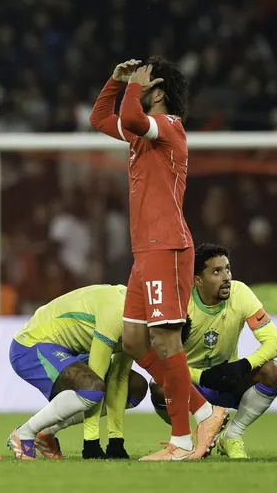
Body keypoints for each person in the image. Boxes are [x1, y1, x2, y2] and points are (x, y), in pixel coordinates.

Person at [90, 58, 227, 461]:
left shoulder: (168, 128)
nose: (138, 84)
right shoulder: (141, 137)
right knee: (133, 340)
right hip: (145, 252)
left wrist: (131, 88)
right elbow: (100, 118)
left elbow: (131, 115)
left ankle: (181, 443)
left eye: (145, 80)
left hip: (166, 247)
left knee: (166, 340)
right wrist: (116, 81)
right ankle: (204, 409)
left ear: (159, 90)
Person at [149, 244, 277, 459]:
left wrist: (243, 366)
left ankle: (232, 436)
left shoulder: (240, 293)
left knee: (273, 371)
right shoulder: (180, 303)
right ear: (197, 280)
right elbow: (160, 359)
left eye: (227, 269)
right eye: (216, 271)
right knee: (158, 385)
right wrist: (200, 376)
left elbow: (276, 343)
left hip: (226, 381)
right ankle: (189, 436)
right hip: (191, 387)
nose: (226, 277)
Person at [7, 284, 148, 460]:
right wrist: (91, 444)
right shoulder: (117, 312)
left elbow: (120, 378)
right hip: (31, 345)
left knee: (135, 387)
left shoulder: (140, 319)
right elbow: (97, 371)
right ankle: (24, 433)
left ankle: (47, 432)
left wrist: (116, 443)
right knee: (92, 388)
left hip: (70, 351)